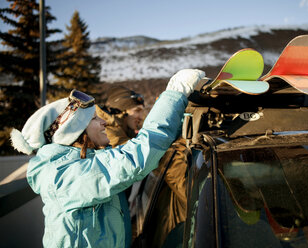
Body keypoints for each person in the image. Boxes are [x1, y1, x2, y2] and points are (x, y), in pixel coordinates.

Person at [10, 69, 205, 248]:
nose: (104, 121)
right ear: (72, 132)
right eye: (94, 119)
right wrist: (174, 95)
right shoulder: (62, 176)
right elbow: (134, 157)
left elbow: (136, 146)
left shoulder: (85, 161)